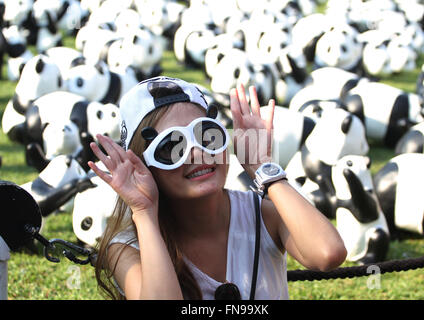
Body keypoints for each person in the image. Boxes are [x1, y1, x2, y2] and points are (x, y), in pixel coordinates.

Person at [88, 76, 347, 300]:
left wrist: (263, 168)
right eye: (171, 146)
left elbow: (328, 254)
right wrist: (144, 211)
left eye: (207, 135)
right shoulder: (126, 247)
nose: (197, 153)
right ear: (143, 165)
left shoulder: (262, 216)